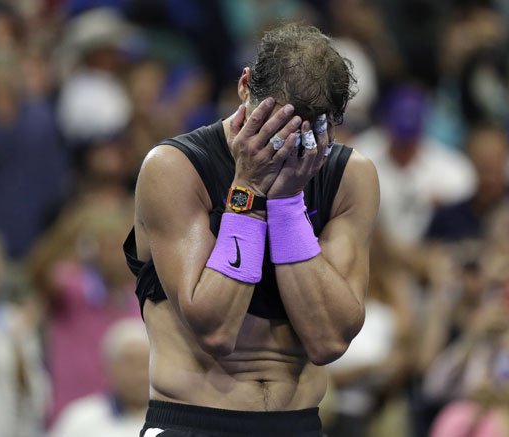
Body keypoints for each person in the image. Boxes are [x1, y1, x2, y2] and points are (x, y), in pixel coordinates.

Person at [123, 23, 379, 437]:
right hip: (194, 420)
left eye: (311, 131)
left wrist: (288, 204)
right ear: (245, 86)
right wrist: (249, 189)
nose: (288, 145)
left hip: (297, 422)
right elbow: (215, 329)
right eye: (276, 125)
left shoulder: (351, 175)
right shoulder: (173, 168)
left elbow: (328, 341)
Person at [49, 318, 149, 437]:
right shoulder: (80, 419)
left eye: (146, 362)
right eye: (130, 363)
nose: (140, 373)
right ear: (109, 367)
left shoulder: (171, 421)